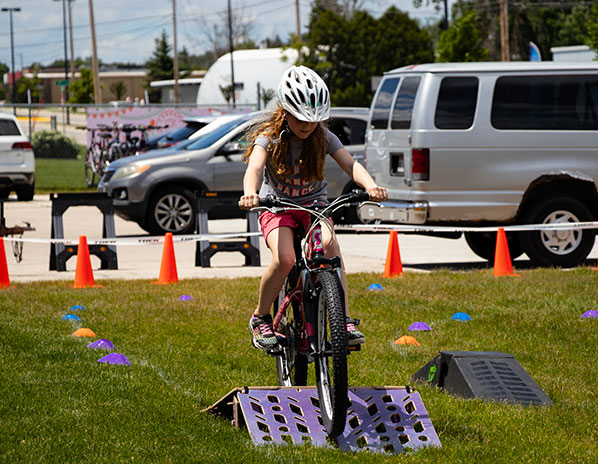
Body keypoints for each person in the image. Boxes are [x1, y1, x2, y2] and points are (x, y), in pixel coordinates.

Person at [239, 65, 387, 351]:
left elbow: (350, 164)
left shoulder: (323, 138)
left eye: (313, 119)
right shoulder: (269, 138)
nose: (307, 126)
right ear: (284, 112)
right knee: (285, 259)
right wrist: (250, 193)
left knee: (331, 248)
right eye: (300, 119)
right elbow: (254, 168)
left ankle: (342, 319)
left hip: (314, 207)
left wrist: (370, 186)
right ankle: (261, 317)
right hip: (277, 207)